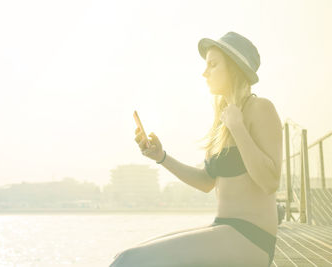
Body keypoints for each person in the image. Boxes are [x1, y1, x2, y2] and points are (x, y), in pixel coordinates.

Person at [109, 31, 282, 267]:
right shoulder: (221, 121)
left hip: (251, 238)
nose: (204, 72)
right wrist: (161, 157)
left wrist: (238, 128)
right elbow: (205, 181)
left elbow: (270, 181)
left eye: (212, 65)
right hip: (221, 229)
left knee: (129, 262)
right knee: (124, 256)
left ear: (234, 68)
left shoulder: (260, 109)